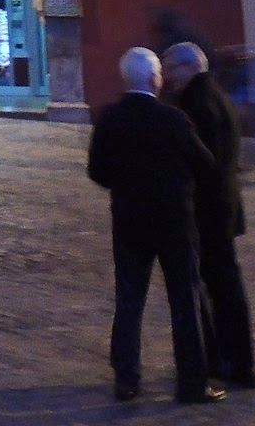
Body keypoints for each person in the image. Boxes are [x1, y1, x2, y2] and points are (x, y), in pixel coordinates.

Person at [87, 47, 225, 406]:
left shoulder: (109, 119)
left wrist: (125, 184)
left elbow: (97, 172)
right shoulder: (173, 120)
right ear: (153, 79)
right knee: (184, 300)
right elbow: (205, 165)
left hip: (129, 222)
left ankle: (126, 379)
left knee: (129, 301)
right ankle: (192, 383)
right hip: (174, 223)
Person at [163, 43, 255, 390]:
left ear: (189, 67)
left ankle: (228, 362)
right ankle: (237, 361)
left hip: (206, 214)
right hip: (224, 209)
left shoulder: (195, 105)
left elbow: (199, 164)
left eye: (171, 69)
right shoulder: (218, 96)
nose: (168, 77)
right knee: (227, 288)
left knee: (218, 290)